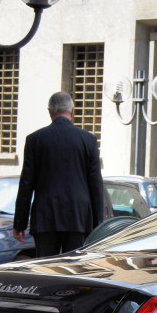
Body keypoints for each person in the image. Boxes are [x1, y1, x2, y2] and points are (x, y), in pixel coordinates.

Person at [12, 92, 106, 256]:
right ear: (73, 111)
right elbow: (96, 185)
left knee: (47, 270)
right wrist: (98, 225)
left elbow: (26, 184)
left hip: (45, 219)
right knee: (75, 269)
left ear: (49, 112)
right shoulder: (88, 140)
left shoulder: (35, 140)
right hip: (78, 219)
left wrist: (19, 223)